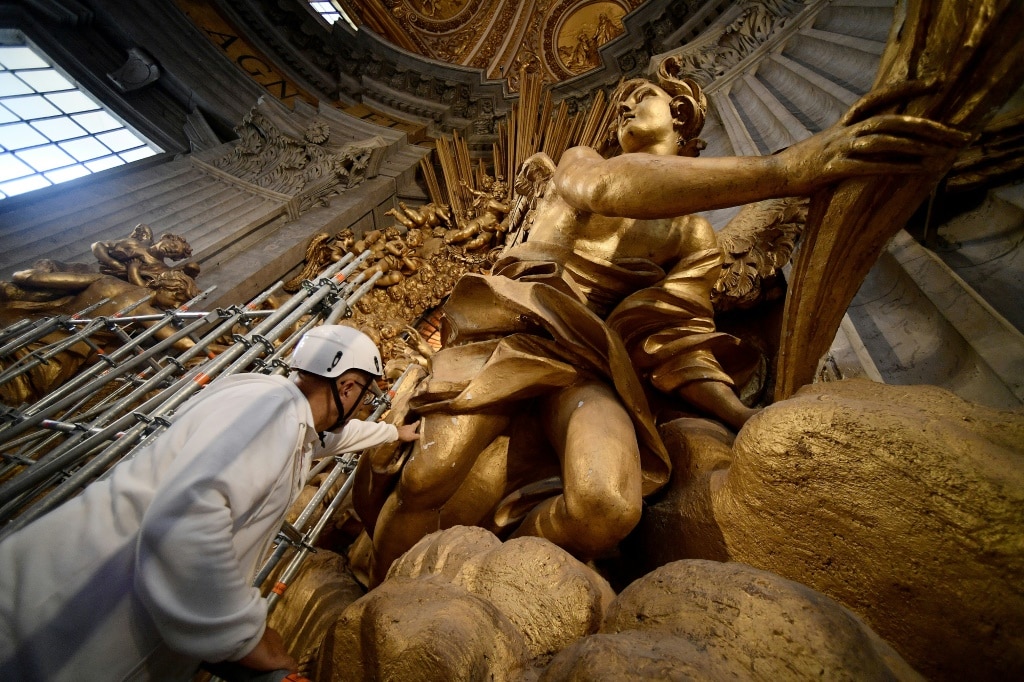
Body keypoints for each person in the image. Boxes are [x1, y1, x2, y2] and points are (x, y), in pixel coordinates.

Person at [354, 56, 964, 584]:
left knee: (605, 506)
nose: (623, 104)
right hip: (516, 325)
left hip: (591, 363)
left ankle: (502, 567)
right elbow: (609, 190)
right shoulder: (582, 161)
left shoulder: (695, 235)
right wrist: (789, 170)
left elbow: (675, 340)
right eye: (619, 99)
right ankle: (385, 592)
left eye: (639, 96)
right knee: (429, 475)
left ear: (681, 114)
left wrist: (746, 416)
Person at [0, 325, 420, 681]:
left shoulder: (278, 412)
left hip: (82, 615)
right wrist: (244, 636)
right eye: (363, 393)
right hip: (62, 623)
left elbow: (329, 439)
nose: (363, 403)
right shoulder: (269, 412)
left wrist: (392, 435)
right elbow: (185, 521)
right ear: (346, 385)